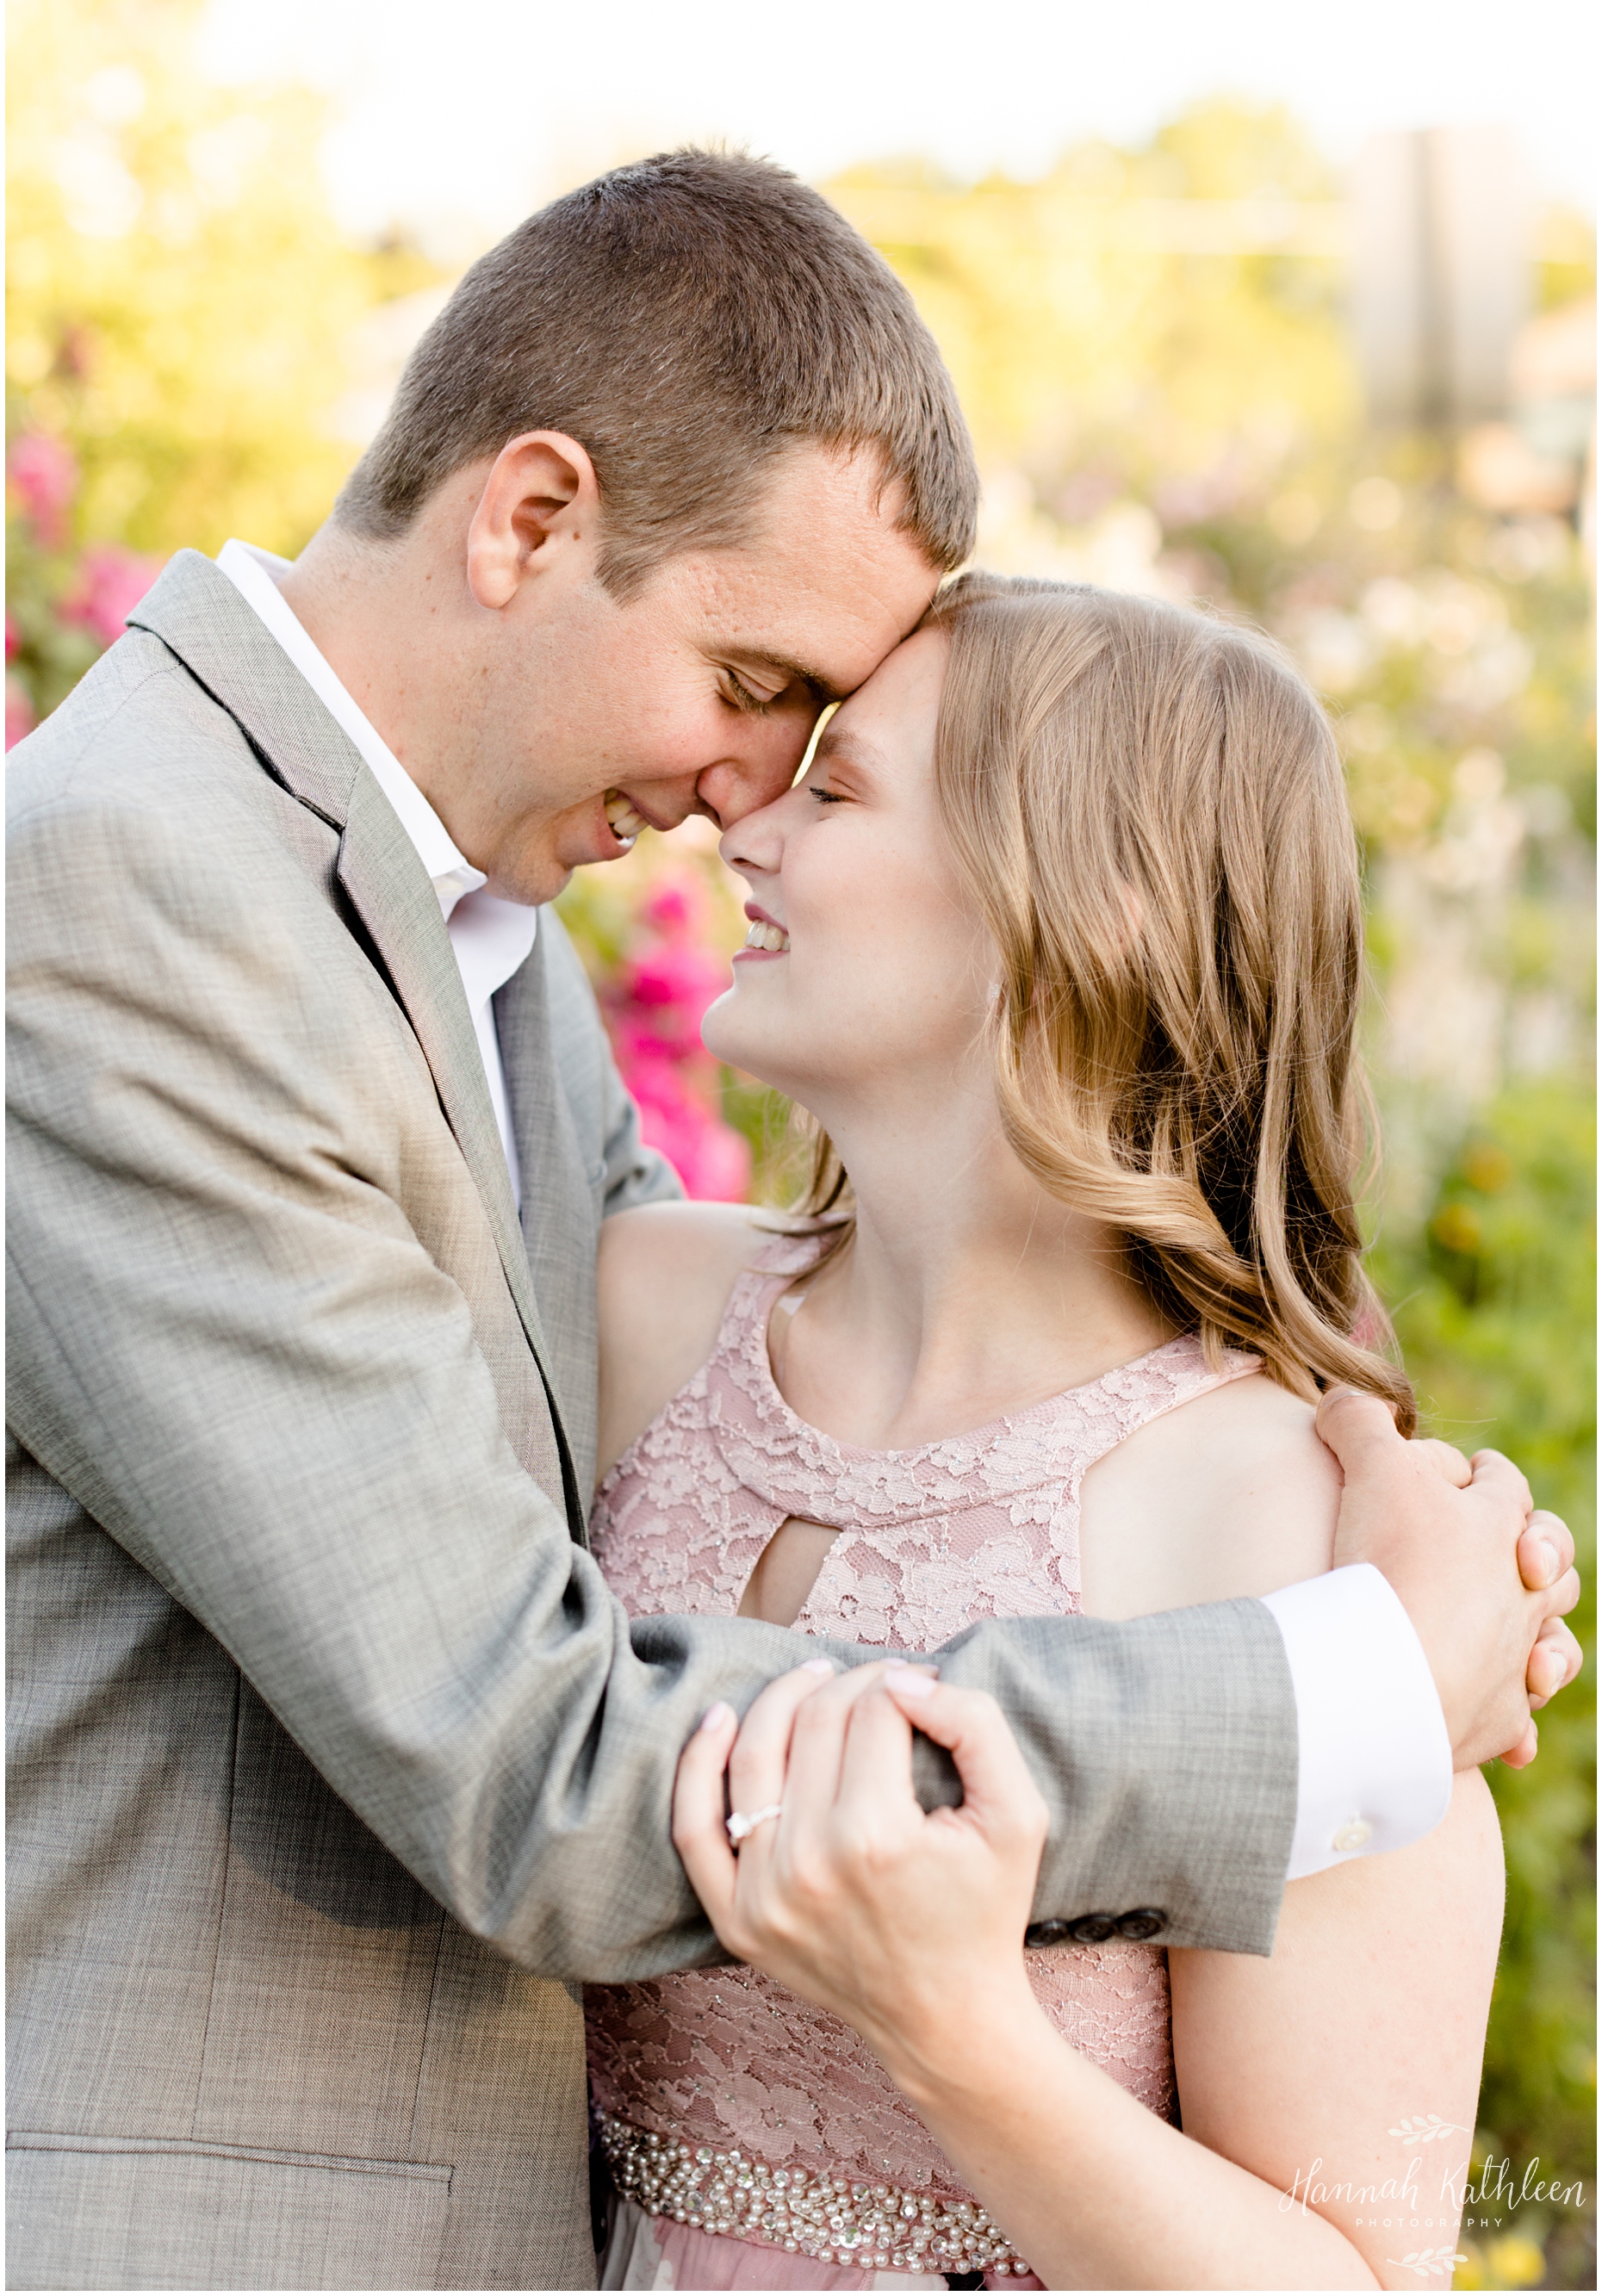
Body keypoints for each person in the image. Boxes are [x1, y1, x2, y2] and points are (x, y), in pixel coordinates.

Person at [5, 156, 1578, 2294]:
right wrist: (1342, 1696)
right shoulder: (134, 901)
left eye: (830, 759)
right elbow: (530, 1754)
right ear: (532, 517)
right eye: (758, 686)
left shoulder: (480, 939)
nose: (750, 792)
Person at [587, 575, 1580, 2292]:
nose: (748, 821)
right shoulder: (634, 1313)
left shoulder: (1300, 1532)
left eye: (839, 785)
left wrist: (958, 2033)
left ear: (1075, 905)